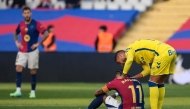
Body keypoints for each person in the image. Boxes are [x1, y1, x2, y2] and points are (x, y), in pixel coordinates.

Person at [115, 39, 176, 109]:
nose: (121, 65)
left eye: (119, 62)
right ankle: (158, 107)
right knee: (160, 82)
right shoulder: (138, 56)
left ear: (121, 56)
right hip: (171, 51)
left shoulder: (129, 50)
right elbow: (147, 70)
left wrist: (124, 74)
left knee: (152, 82)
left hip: (161, 53)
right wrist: (134, 77)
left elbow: (129, 60)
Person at [10, 7, 49, 98]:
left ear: (30, 13)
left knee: (32, 71)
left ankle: (32, 92)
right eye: (25, 13)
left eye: (28, 13)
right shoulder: (21, 24)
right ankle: (18, 91)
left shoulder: (36, 24)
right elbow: (15, 33)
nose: (27, 15)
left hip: (33, 51)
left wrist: (38, 43)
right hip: (22, 50)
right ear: (22, 14)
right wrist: (16, 42)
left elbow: (46, 33)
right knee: (18, 68)